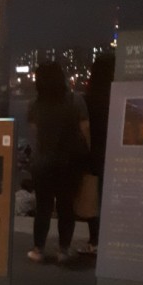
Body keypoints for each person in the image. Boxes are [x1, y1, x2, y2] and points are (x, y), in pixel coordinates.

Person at [27, 61, 90, 264]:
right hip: (69, 162)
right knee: (66, 207)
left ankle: (38, 249)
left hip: (43, 162)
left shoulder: (34, 104)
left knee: (43, 207)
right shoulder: (75, 100)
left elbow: (35, 133)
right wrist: (87, 153)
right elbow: (85, 129)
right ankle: (63, 250)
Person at [76, 52, 115, 255]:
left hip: (93, 153)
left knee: (93, 197)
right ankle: (112, 238)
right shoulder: (117, 96)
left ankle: (95, 240)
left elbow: (83, 128)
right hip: (115, 153)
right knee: (111, 196)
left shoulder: (88, 98)